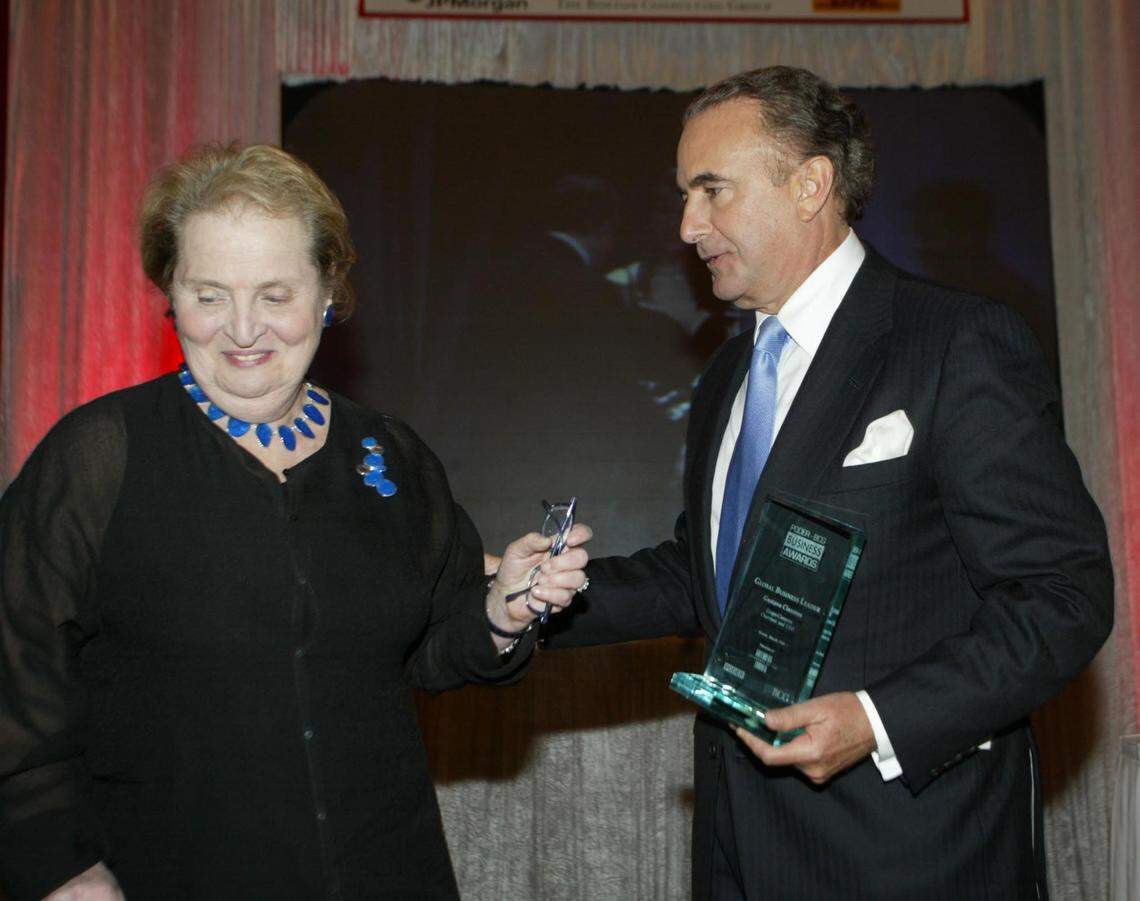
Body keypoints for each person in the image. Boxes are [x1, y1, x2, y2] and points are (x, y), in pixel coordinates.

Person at [543, 66, 1113, 899]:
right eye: (684, 194)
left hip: (915, 857)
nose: (687, 224)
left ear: (811, 184)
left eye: (711, 191)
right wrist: (539, 591)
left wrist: (878, 720)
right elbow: (706, 579)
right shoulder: (727, 376)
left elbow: (1064, 592)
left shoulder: (954, 342)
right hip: (739, 848)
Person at [0, 143, 590, 901]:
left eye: (274, 294)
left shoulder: (392, 456)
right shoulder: (99, 456)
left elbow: (436, 646)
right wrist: (60, 866)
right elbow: (15, 677)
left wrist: (502, 610)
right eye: (209, 294)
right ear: (171, 297)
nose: (243, 329)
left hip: (388, 871)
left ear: (327, 295)